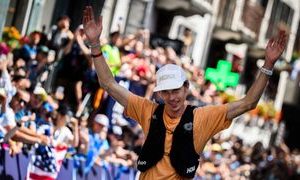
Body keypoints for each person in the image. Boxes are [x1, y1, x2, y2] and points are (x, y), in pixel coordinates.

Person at [82, 6, 286, 179]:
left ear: (187, 87)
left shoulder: (203, 117)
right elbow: (108, 83)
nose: (172, 97)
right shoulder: (148, 110)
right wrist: (94, 44)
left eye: (177, 90)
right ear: (160, 94)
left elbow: (247, 103)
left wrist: (268, 64)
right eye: (166, 92)